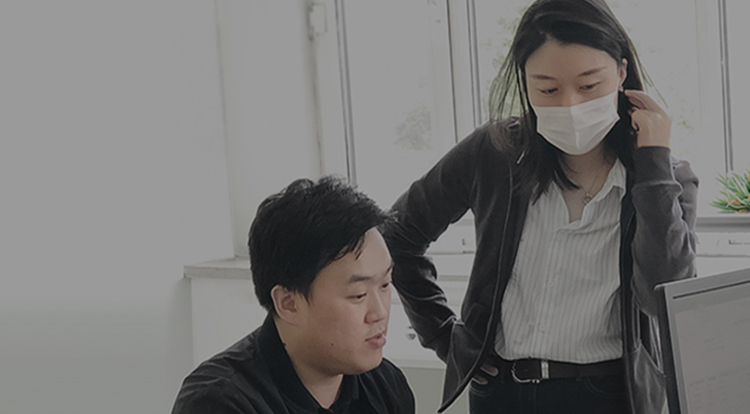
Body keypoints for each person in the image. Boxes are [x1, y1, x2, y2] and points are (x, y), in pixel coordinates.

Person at [382, 0, 698, 413]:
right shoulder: (494, 153)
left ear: (622, 73)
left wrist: (653, 162)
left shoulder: (666, 178)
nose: (570, 105)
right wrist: (443, 335)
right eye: (547, 89)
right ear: (525, 83)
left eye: (589, 85)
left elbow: (662, 298)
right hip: (500, 393)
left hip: (608, 396)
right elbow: (396, 235)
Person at [172, 176, 415, 414]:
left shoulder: (385, 384)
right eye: (358, 295)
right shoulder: (216, 402)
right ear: (288, 304)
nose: (380, 313)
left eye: (385, 285)